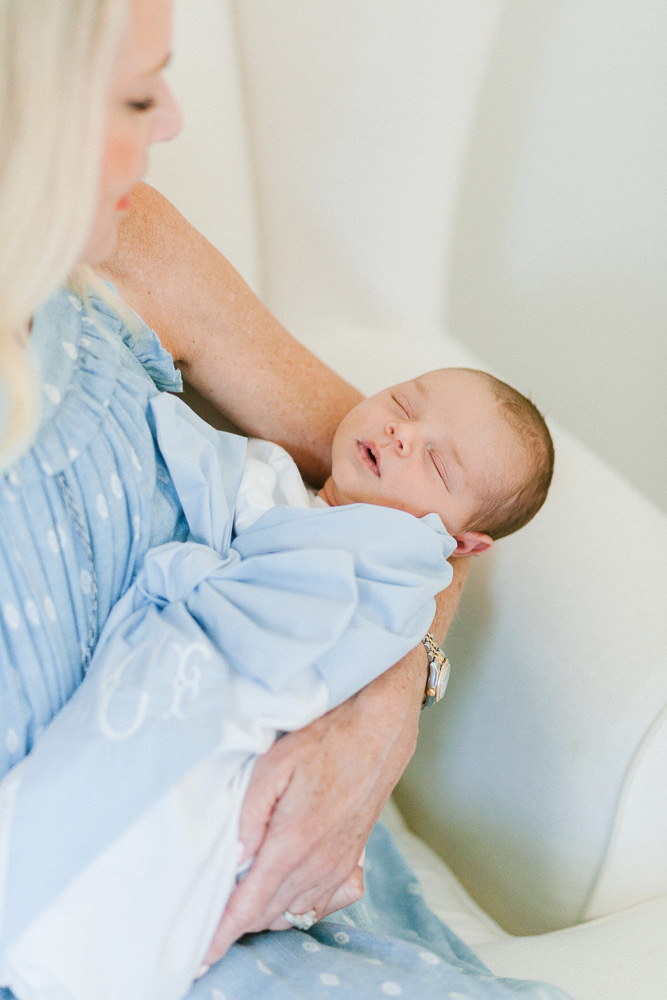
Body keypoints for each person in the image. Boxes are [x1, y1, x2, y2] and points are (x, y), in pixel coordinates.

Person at [0, 2, 572, 998]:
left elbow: (400, 522)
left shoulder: (123, 233)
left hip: (243, 860)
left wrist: (375, 722)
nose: (172, 119)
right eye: (136, 93)